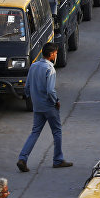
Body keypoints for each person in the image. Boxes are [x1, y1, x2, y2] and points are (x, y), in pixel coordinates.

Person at [17, 42, 71, 172]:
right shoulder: (50, 69)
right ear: (51, 54)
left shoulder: (34, 66)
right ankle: (58, 160)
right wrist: (56, 101)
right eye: (56, 53)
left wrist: (33, 99)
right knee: (57, 132)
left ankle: (22, 158)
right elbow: (50, 90)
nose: (56, 55)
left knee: (35, 132)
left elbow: (27, 88)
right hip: (49, 106)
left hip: (38, 106)